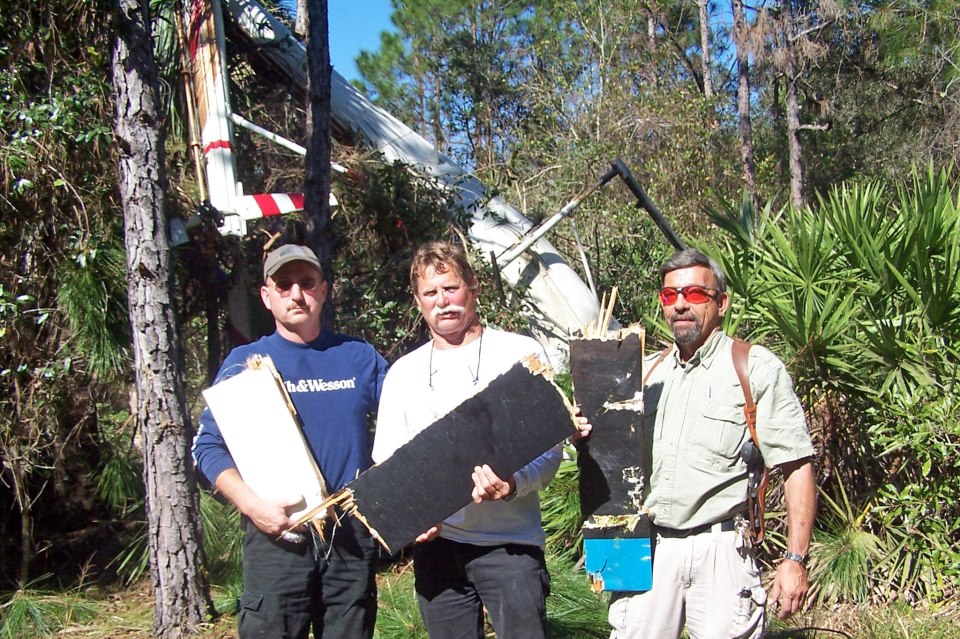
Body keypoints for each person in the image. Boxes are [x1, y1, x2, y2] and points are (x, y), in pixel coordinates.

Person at [373, 240, 584, 639]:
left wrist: (513, 484)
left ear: (473, 286)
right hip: (438, 549)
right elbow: (388, 462)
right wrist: (412, 517)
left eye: (451, 288)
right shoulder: (403, 373)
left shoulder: (520, 354)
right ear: (418, 301)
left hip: (510, 545)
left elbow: (549, 449)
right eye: (430, 293)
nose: (442, 301)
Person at [605, 247, 817, 639]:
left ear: (722, 303)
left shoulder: (754, 368)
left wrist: (794, 559)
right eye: (670, 295)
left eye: (694, 294)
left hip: (722, 550)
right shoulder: (645, 374)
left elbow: (796, 466)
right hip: (649, 547)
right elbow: (612, 460)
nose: (680, 305)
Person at [192, 244, 387, 639]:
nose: (296, 294)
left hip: (349, 537)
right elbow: (206, 448)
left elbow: (407, 421)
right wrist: (253, 506)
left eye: (307, 282)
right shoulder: (246, 363)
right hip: (278, 537)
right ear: (267, 296)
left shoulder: (358, 357)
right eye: (284, 285)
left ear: (323, 290)